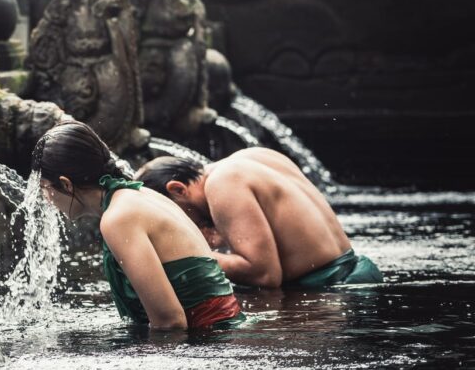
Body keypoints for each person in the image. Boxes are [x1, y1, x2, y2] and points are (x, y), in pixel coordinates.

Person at [32, 121, 245, 330]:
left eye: (44, 187)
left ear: (66, 184)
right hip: (226, 330)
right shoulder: (139, 194)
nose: (45, 196)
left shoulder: (118, 218)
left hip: (213, 339)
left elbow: (170, 322)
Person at [136, 148, 383, 288]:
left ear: (178, 189)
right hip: (354, 277)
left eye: (172, 214)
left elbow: (264, 274)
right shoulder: (250, 157)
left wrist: (181, 252)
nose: (178, 224)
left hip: (331, 294)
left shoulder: (223, 184)